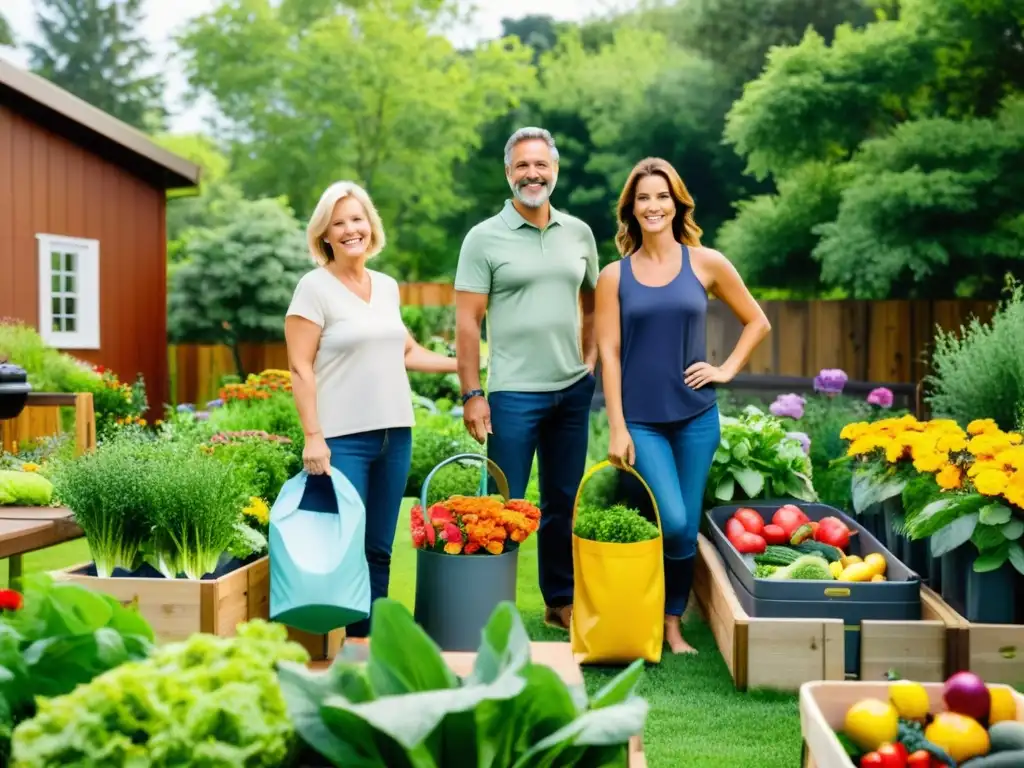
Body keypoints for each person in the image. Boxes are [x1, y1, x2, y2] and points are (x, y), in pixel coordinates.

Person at [595, 158, 770, 654]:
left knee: (684, 528)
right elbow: (608, 352)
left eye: (662, 196)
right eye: (644, 198)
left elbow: (757, 321)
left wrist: (726, 368)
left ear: (677, 204)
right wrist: (617, 426)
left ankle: (672, 623)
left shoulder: (706, 263)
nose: (654, 206)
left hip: (696, 417)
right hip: (642, 422)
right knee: (670, 520)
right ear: (631, 208)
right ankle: (650, 609)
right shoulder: (614, 276)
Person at [285, 180, 457, 638]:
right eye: (338, 223)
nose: (349, 230)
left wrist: (466, 363)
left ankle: (369, 643)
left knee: (379, 547)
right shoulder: (313, 288)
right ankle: (342, 643)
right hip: (344, 439)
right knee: (348, 547)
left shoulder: (385, 287)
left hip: (395, 434)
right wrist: (313, 436)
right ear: (324, 234)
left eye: (357, 219)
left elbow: (407, 351)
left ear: (370, 226)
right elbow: (300, 368)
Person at [454, 127, 599, 631]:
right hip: (512, 394)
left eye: (541, 166)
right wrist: (472, 393)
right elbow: (468, 323)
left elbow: (592, 299)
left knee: (562, 501)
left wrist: (592, 355)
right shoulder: (483, 238)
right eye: (522, 167)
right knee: (501, 502)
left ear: (554, 171)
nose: (532, 175)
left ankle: (560, 601)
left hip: (572, 391)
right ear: (508, 173)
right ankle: (489, 606)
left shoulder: (579, 233)